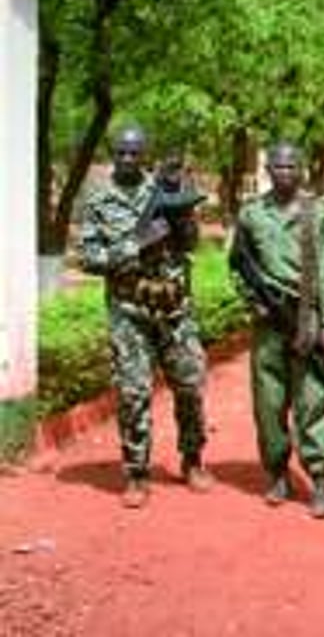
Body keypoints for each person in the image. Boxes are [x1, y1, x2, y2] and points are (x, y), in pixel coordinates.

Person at [78, 126, 213, 508]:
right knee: (133, 393)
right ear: (113, 153)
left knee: (189, 385)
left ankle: (193, 460)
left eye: (134, 153)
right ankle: (137, 473)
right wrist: (132, 247)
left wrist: (183, 220)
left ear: (144, 155)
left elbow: (191, 243)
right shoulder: (99, 200)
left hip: (174, 310)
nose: (127, 159)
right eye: (121, 153)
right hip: (129, 313)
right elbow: (88, 257)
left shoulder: (167, 189)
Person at [231, 142, 324, 519]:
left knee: (312, 400)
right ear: (267, 169)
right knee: (269, 403)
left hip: (306, 317)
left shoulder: (320, 213)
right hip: (267, 324)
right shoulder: (251, 215)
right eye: (277, 166)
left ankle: (320, 479)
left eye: (291, 166)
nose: (284, 172)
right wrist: (253, 300)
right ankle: (277, 473)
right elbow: (237, 264)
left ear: (302, 169)